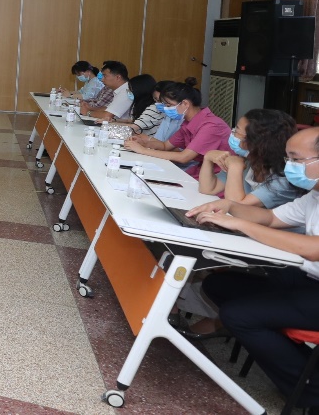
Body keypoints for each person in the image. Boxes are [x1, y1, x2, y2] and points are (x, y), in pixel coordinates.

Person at [186, 127, 319, 408]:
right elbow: (271, 218)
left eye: (297, 159)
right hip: (307, 279)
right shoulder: (314, 195)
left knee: (239, 315)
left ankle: (309, 392)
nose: (290, 166)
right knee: (220, 285)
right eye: (288, 159)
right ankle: (297, 362)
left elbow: (313, 249)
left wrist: (239, 223)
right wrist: (229, 207)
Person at [198, 109, 303, 209]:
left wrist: (235, 167)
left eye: (237, 131)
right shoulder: (250, 160)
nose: (232, 134)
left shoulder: (283, 180)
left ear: (256, 141)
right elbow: (208, 189)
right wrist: (208, 158)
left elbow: (237, 208)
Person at [123, 82, 229, 178]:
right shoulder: (188, 122)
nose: (166, 109)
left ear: (185, 104)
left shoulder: (211, 125)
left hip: (219, 177)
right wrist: (144, 143)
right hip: (201, 172)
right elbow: (165, 146)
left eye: (169, 105)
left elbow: (184, 157)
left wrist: (143, 150)